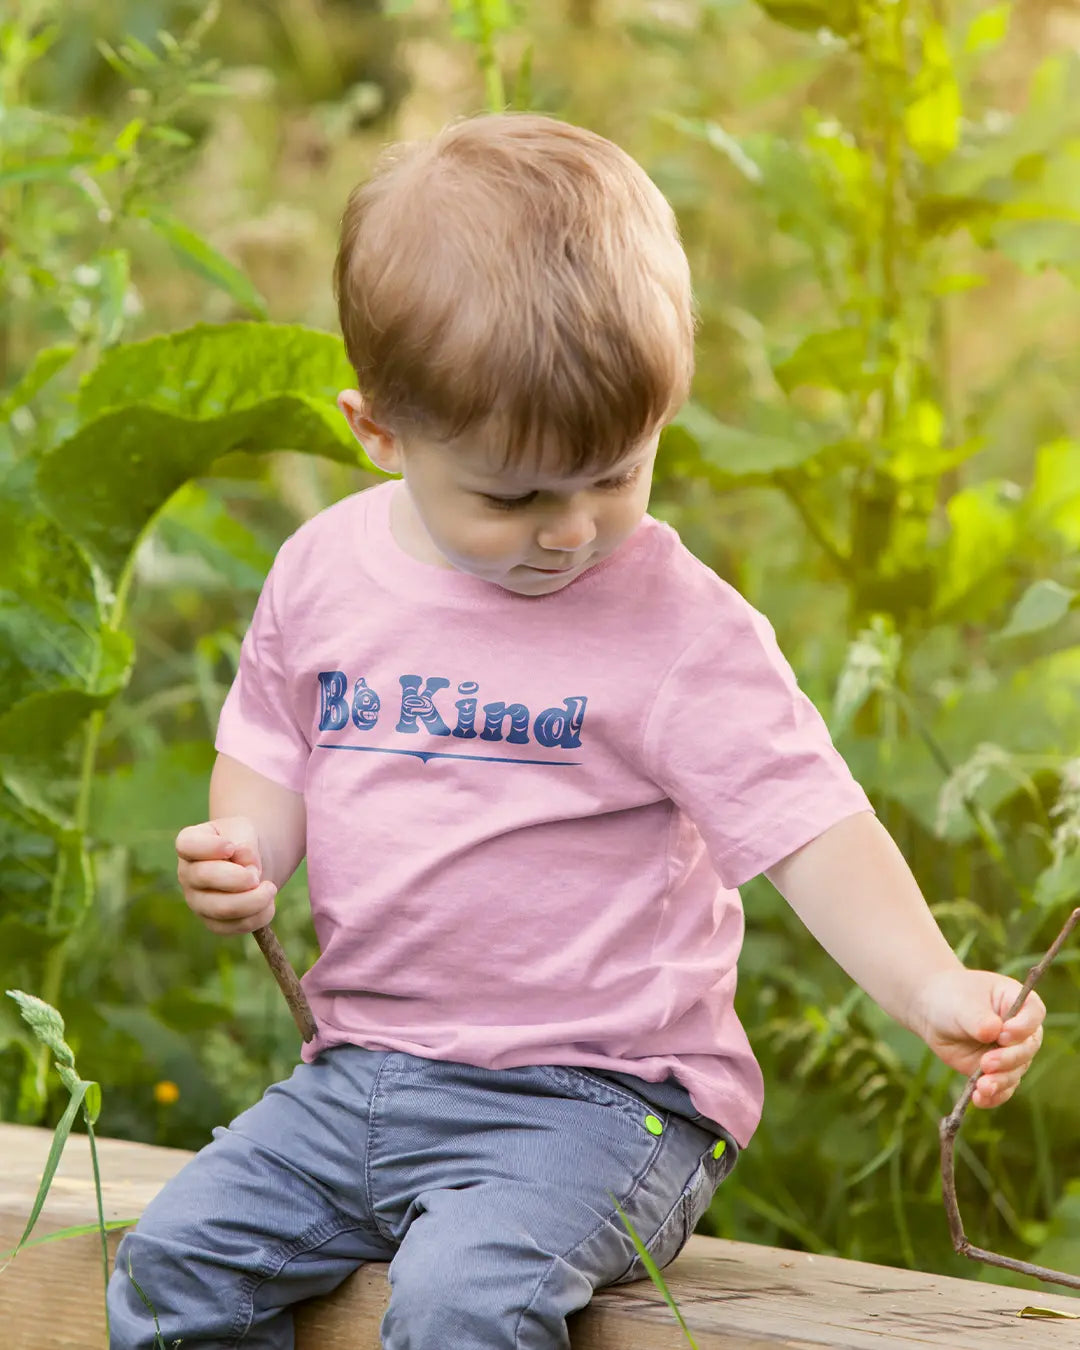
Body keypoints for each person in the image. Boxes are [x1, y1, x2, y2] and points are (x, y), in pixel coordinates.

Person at [106, 112, 1046, 1350]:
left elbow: (807, 823)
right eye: (515, 496)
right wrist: (245, 849)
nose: (574, 530)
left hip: (602, 1102)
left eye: (618, 472)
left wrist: (928, 979)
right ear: (378, 433)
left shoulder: (675, 627)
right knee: (177, 1268)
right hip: (362, 1074)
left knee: (464, 1302)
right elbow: (276, 744)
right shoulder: (325, 570)